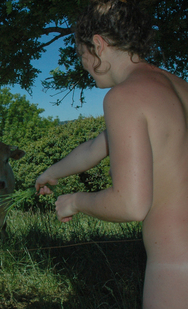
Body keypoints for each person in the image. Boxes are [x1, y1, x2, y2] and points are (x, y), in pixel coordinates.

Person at [35, 0, 188, 308]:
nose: (84, 66)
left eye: (81, 55)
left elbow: (131, 205)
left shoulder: (123, 97)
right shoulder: (178, 87)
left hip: (177, 264)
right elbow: (97, 146)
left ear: (98, 45)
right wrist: (53, 172)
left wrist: (74, 201)